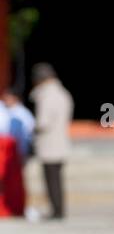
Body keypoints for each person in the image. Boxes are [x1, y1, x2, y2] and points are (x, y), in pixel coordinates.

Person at [29, 62, 73, 219]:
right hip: (60, 141)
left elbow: (43, 122)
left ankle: (56, 211)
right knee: (57, 179)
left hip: (49, 143)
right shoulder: (63, 93)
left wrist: (31, 128)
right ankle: (58, 209)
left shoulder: (47, 95)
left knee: (51, 180)